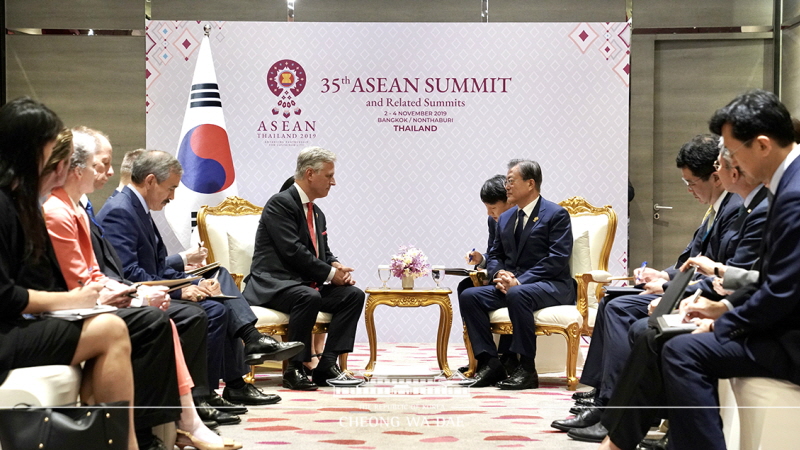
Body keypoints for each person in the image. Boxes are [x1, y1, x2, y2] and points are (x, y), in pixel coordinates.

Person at [42, 130, 241, 449]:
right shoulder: (59, 210)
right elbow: (80, 283)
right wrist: (137, 294)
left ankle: (180, 420)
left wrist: (137, 293)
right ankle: (153, 430)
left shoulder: (76, 209)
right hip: (59, 313)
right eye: (99, 165)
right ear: (74, 169)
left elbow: (94, 274)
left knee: (163, 316)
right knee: (155, 320)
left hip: (84, 301)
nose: (107, 173)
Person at [553, 134, 744, 442]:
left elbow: (727, 271)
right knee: (613, 299)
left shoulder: (736, 209)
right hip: (691, 288)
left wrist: (674, 288)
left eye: (692, 183)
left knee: (624, 312)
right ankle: (602, 394)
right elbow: (688, 260)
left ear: (717, 175)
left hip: (700, 295)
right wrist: (663, 276)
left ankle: (610, 404)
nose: (689, 191)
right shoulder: (719, 208)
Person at [97, 150, 303, 406]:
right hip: (135, 300)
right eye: (170, 188)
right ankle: (205, 394)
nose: (172, 197)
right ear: (150, 181)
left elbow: (157, 267)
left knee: (217, 290)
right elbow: (127, 275)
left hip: (152, 290)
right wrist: (179, 291)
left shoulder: (136, 207)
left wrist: (195, 283)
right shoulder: (121, 211)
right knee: (216, 310)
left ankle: (228, 379)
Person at [0, 97, 139, 450]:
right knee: (110, 328)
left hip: (13, 324)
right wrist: (73, 299)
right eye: (50, 150)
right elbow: (5, 296)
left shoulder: (18, 201)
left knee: (111, 323)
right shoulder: (7, 204)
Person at [243, 146, 365, 390]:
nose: (334, 182)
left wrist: (335, 264)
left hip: (303, 286)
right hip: (274, 285)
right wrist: (331, 275)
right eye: (329, 176)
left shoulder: (316, 212)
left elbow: (323, 251)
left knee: (352, 296)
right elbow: (293, 251)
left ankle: (327, 365)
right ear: (310, 174)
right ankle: (295, 369)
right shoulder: (280, 204)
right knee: (307, 296)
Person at [459, 159, 575, 390]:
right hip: (514, 286)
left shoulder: (556, 214)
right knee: (470, 296)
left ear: (530, 183)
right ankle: (490, 362)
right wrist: (499, 273)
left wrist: (519, 281)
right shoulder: (505, 218)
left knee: (518, 294)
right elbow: (495, 254)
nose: (507, 186)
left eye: (511, 181)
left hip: (551, 285)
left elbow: (556, 259)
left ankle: (526, 368)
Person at [456, 174, 516, 374]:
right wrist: (481, 259)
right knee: (465, 286)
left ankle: (505, 357)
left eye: (493, 208)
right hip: (500, 276)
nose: (490, 214)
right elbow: (495, 253)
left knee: (512, 294)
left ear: (508, 201)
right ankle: (482, 358)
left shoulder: (525, 218)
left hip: (520, 280)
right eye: (486, 209)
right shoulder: (494, 222)